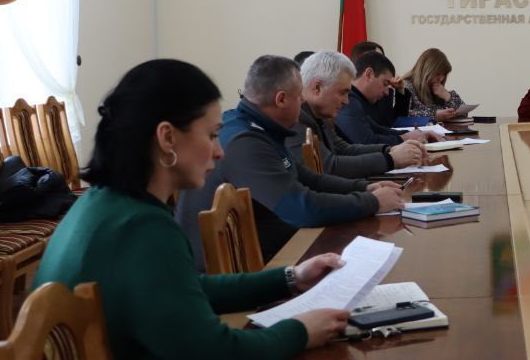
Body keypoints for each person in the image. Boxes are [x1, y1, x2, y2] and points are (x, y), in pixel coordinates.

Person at [33, 59, 350, 360]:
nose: (219, 150)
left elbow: (182, 288)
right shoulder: (142, 228)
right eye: (211, 135)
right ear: (167, 137)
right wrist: (301, 330)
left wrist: (290, 279)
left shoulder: (103, 202)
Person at [176, 55, 408, 267]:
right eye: (299, 96)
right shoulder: (245, 142)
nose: (303, 101)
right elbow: (302, 208)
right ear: (281, 99)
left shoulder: (260, 128)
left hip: (274, 246)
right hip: (246, 270)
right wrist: (372, 202)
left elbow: (308, 178)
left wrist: (365, 187)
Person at [292, 51, 427, 178]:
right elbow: (329, 167)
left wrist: (389, 150)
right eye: (342, 92)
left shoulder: (319, 114)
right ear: (317, 87)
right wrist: (391, 159)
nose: (346, 101)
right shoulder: (295, 118)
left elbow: (344, 149)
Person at [337, 51, 414, 144]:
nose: (387, 92)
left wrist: (411, 134)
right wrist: (404, 138)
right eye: (385, 83)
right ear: (369, 74)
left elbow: (377, 129)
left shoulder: (357, 98)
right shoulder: (348, 100)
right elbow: (367, 141)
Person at [402, 48, 466, 121]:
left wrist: (448, 96)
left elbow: (464, 113)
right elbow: (401, 115)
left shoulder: (437, 90)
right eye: (437, 74)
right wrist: (434, 115)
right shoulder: (405, 87)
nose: (441, 79)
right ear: (426, 71)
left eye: (444, 74)